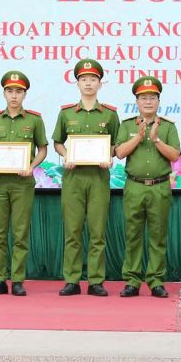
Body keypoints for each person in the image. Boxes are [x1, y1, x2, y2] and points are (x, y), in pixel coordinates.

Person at [53, 59, 119, 297]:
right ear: (77, 83)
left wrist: (109, 155)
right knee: (73, 231)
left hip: (98, 177)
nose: (88, 83)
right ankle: (71, 280)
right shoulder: (66, 113)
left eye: (93, 79)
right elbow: (58, 142)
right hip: (74, 177)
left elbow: (116, 144)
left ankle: (96, 281)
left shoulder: (110, 114)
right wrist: (66, 155)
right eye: (83, 79)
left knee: (97, 232)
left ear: (100, 83)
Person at [0, 70, 49, 297]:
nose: (14, 95)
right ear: (4, 93)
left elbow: (43, 149)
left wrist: (31, 165)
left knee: (20, 233)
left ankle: (18, 280)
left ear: (24, 94)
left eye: (18, 92)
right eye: (10, 91)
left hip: (23, 183)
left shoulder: (34, 120)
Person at [115, 74, 181, 297]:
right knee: (133, 235)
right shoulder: (127, 125)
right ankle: (132, 280)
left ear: (159, 101)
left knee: (158, 235)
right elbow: (119, 152)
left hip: (159, 187)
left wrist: (156, 139)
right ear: (137, 101)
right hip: (134, 186)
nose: (148, 102)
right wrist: (138, 137)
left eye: (153, 97)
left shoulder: (168, 127)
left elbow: (174, 155)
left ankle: (156, 280)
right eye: (143, 98)